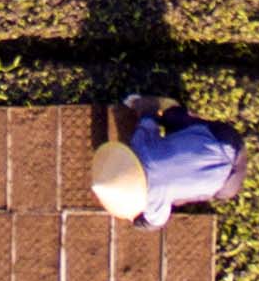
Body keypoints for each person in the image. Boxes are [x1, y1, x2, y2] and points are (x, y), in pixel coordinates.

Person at [89, 93, 247, 231]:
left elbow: (153, 223)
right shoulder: (141, 146)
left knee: (179, 200)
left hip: (228, 182)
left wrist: (137, 217)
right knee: (172, 117)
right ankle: (171, 106)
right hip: (225, 138)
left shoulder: (152, 198)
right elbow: (149, 112)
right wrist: (139, 104)